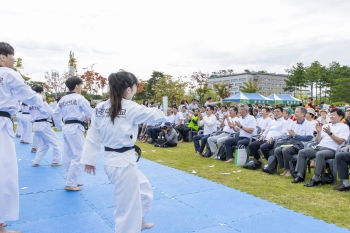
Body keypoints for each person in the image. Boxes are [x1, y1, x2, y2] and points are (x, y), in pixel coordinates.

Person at [80, 71, 166, 232]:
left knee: (144, 189)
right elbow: (157, 115)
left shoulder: (100, 107)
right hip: (123, 164)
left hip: (114, 160)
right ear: (128, 89)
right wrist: (164, 110)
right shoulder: (130, 107)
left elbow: (92, 136)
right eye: (135, 87)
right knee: (125, 207)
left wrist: (89, 159)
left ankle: (139, 221)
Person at [0, 41, 44, 233]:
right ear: (2, 56)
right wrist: (40, 100)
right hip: (2, 124)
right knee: (5, 174)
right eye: (12, 57)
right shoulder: (8, 74)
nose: (13, 61)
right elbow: (30, 97)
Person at [53, 76, 93, 191]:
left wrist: (61, 126)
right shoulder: (80, 98)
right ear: (77, 86)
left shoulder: (63, 99)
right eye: (81, 85)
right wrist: (88, 120)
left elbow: (55, 115)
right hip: (75, 128)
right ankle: (70, 183)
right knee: (79, 155)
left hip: (67, 127)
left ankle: (71, 180)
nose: (82, 87)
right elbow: (91, 114)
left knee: (69, 155)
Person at [292, 108, 349, 186]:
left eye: (334, 115)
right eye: (331, 114)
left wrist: (330, 133)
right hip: (319, 147)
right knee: (302, 152)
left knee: (320, 154)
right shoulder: (326, 125)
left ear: (340, 117)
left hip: (332, 150)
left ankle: (315, 178)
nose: (331, 116)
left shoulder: (344, 127)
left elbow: (340, 141)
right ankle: (300, 175)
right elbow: (318, 141)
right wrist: (319, 132)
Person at [274, 107, 314, 177]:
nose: (295, 113)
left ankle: (289, 170)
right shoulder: (293, 123)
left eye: (297, 112)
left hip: (300, 145)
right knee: (278, 149)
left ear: (303, 114)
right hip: (291, 143)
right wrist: (290, 135)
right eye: (295, 112)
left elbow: (309, 138)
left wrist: (295, 136)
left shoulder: (308, 124)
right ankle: (285, 169)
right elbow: (288, 136)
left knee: (286, 150)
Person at [30, 85, 62, 167]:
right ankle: (55, 161)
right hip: (43, 125)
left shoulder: (31, 103)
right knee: (56, 142)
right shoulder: (41, 101)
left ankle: (36, 162)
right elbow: (51, 112)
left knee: (44, 145)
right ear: (41, 92)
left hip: (36, 125)